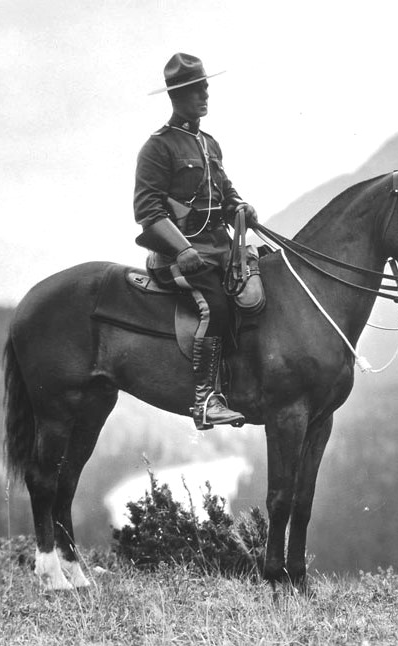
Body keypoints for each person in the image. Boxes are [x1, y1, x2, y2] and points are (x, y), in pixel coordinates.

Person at [134, 53, 258, 431]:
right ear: (177, 96)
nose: (205, 94)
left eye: (205, 87)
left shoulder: (210, 144)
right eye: (196, 89)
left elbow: (224, 193)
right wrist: (183, 249)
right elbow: (148, 212)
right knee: (215, 305)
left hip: (218, 249)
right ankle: (205, 400)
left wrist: (240, 206)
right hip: (178, 256)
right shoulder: (158, 148)